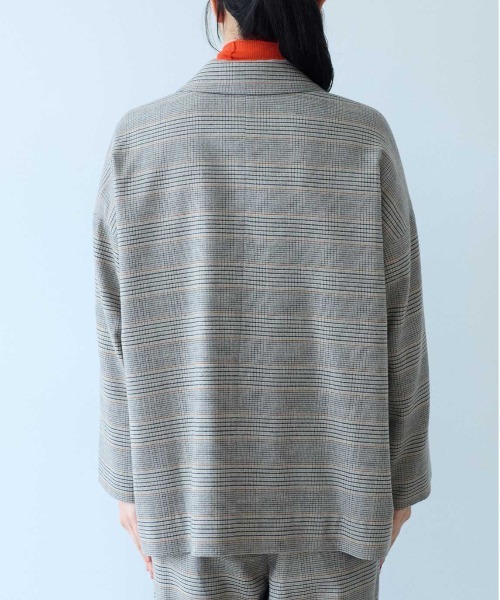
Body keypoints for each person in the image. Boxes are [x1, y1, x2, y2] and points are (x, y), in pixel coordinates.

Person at [92, 0, 432, 597]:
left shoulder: (140, 139)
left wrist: (129, 482)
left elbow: (113, 326)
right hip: (339, 495)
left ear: (216, 5)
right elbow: (401, 320)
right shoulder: (361, 136)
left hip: (190, 495)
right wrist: (401, 481)